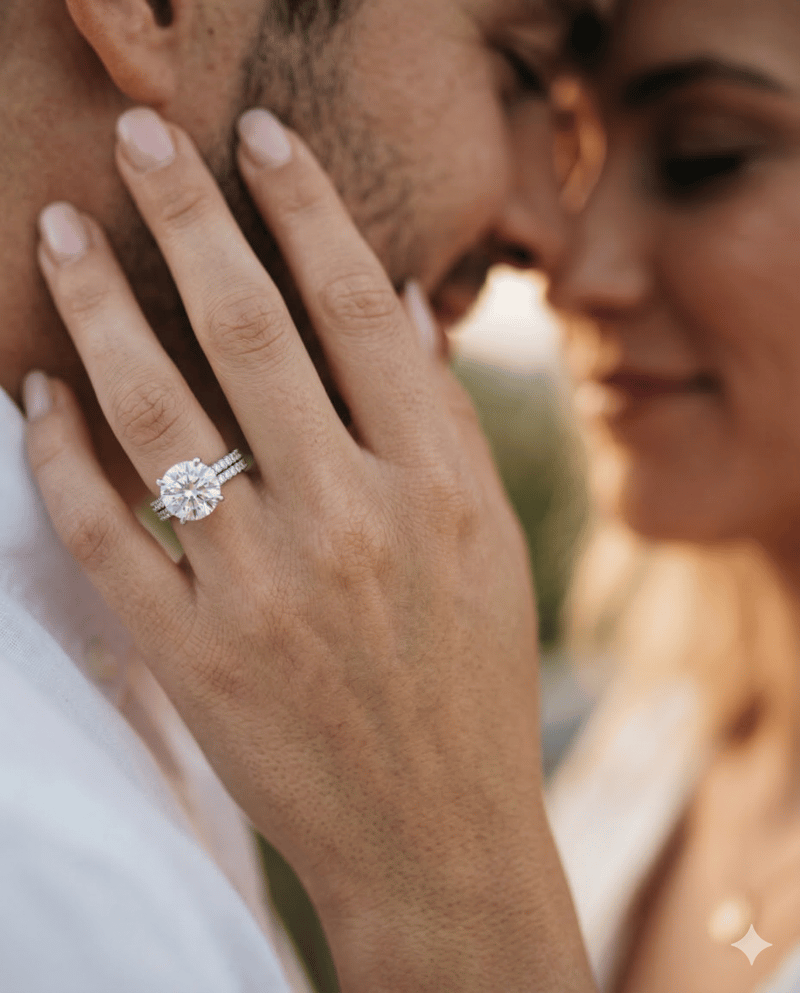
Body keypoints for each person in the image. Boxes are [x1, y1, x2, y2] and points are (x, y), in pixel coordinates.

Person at [2, 0, 602, 991]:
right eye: (517, 69)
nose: (549, 230)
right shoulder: (49, 865)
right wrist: (458, 891)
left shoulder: (141, 668)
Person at [543, 0, 800, 989]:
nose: (571, 271)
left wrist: (456, 903)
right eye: (563, 161)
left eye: (702, 158)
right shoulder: (649, 737)